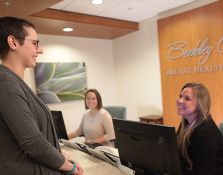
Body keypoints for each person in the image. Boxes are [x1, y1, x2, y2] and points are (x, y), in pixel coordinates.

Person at [0, 16, 83, 175]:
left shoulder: (13, 82)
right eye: (35, 43)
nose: (40, 49)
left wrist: (60, 157)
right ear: (13, 42)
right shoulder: (5, 82)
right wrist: (70, 167)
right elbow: (33, 143)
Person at [176, 82, 223, 175]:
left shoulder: (206, 134)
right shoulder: (186, 123)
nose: (180, 100)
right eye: (180, 96)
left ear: (200, 104)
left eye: (187, 98)